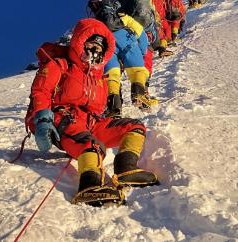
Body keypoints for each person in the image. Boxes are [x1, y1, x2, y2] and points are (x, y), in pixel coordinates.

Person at [27, 18, 159, 206]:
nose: (95, 49)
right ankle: (89, 186)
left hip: (90, 122)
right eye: (91, 42)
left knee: (134, 127)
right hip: (62, 119)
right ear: (80, 41)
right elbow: (41, 91)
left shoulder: (98, 78)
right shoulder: (60, 64)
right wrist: (42, 119)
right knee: (91, 144)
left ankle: (126, 169)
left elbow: (99, 109)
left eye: (100, 46)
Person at [87, 0, 158, 116]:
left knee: (112, 75)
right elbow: (140, 33)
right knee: (138, 71)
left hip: (108, 46)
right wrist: (142, 52)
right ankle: (138, 93)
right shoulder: (122, 16)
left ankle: (114, 107)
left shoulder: (97, 22)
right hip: (128, 43)